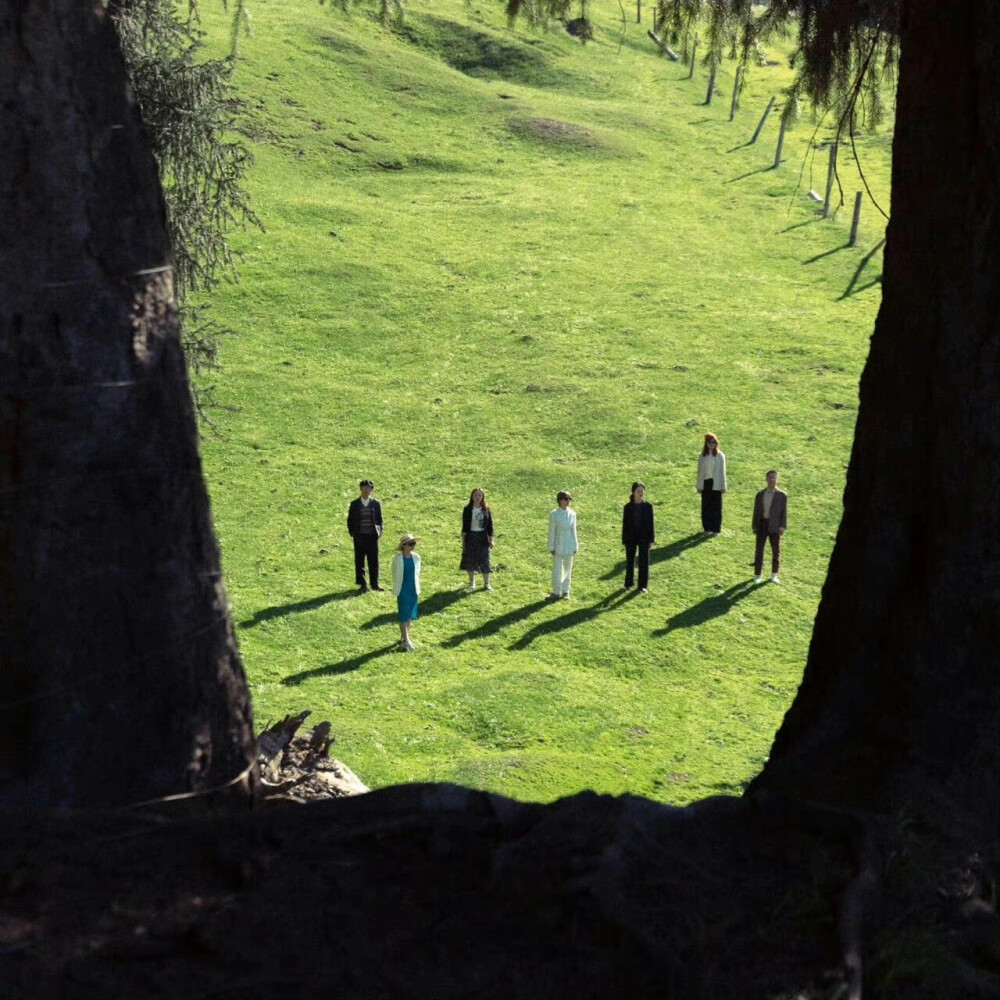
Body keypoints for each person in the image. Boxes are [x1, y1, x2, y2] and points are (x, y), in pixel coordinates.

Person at [347, 479, 383, 592]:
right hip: (359, 536)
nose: (366, 490)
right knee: (359, 560)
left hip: (372, 536)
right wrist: (353, 532)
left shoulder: (376, 504)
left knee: (373, 560)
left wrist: (379, 531)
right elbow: (350, 520)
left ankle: (374, 584)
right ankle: (362, 584)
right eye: (364, 487)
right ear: (360, 489)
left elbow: (380, 520)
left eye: (368, 488)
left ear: (372, 490)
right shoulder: (355, 504)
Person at [752, 470, 787, 584]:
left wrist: (782, 527)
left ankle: (774, 575)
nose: (772, 480)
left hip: (775, 526)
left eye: (774, 478)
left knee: (776, 551)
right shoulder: (760, 494)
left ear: (777, 480)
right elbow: (756, 511)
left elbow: (784, 513)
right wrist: (754, 526)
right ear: (766, 479)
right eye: (770, 478)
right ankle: (757, 575)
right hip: (762, 524)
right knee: (759, 551)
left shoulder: (782, 496)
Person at [621, 481, 655, 592]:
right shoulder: (628, 507)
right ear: (633, 492)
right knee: (630, 561)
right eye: (638, 491)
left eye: (642, 491)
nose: (640, 493)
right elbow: (625, 524)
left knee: (644, 561)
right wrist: (624, 540)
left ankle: (642, 586)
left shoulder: (648, 506)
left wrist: (651, 539)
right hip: (631, 537)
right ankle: (628, 584)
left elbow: (651, 524)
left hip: (644, 537)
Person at [460, 487, 495, 591]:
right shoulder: (467, 509)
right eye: (475, 495)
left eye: (480, 495)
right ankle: (472, 582)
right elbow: (464, 527)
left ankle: (487, 584)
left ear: (482, 497)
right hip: (470, 536)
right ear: (472, 496)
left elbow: (490, 526)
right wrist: (463, 542)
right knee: (470, 560)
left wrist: (491, 540)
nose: (477, 497)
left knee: (485, 560)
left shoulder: (486, 510)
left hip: (482, 537)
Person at [391, 534, 421, 650]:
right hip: (403, 589)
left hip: (413, 588)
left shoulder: (417, 557)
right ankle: (406, 639)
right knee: (403, 613)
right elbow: (394, 572)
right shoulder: (398, 559)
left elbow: (418, 572)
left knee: (409, 613)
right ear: (404, 546)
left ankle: (404, 637)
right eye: (410, 544)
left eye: (414, 544)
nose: (413, 546)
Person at [547, 491, 579, 600]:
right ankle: (556, 592)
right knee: (557, 570)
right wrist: (551, 546)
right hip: (558, 544)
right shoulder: (554, 514)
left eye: (569, 499)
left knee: (567, 569)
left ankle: (566, 592)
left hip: (569, 544)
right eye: (566, 499)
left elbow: (573, 530)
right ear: (560, 500)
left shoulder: (572, 514)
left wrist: (575, 545)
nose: (568, 501)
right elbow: (552, 531)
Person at [696, 433, 727, 535]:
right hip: (706, 483)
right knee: (706, 507)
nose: (712, 444)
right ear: (706, 443)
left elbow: (723, 472)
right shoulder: (702, 456)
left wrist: (723, 486)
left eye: (713, 442)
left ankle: (716, 529)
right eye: (709, 442)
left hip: (716, 483)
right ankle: (707, 528)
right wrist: (699, 486)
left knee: (716, 507)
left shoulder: (720, 455)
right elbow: (699, 472)